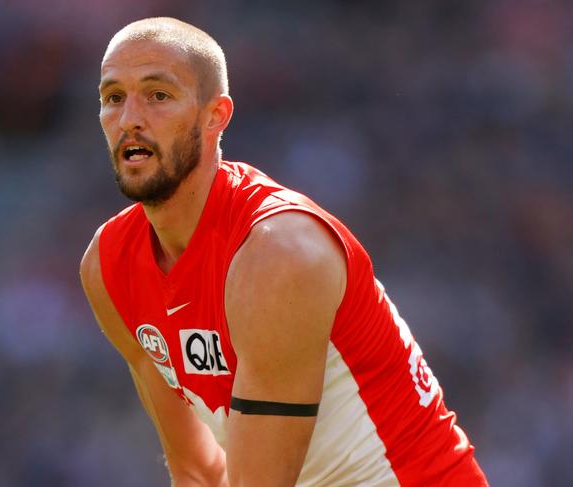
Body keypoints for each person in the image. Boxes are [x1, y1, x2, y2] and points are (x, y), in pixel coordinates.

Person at [80, 17, 489, 487]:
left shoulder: (279, 254)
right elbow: (198, 470)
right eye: (113, 98)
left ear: (215, 115)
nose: (129, 117)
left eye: (158, 96)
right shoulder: (107, 268)